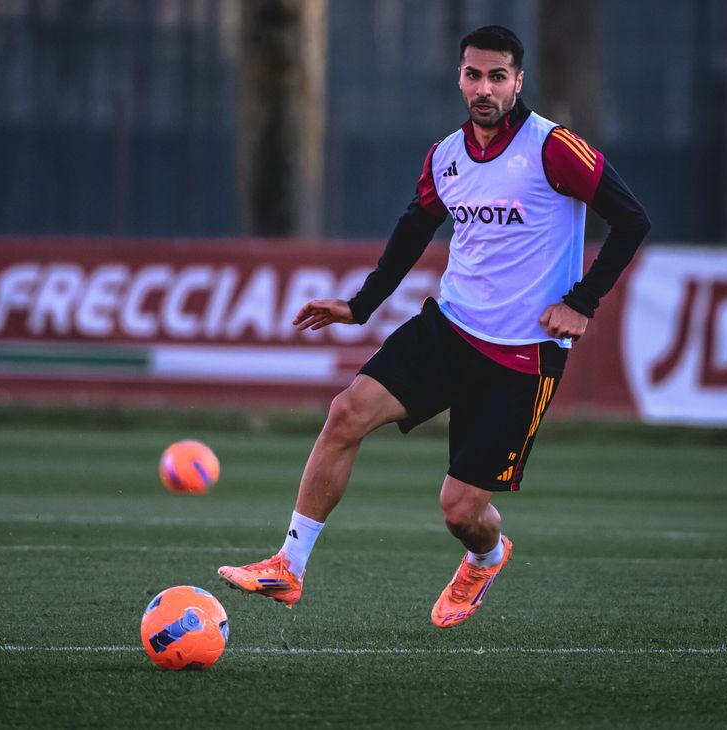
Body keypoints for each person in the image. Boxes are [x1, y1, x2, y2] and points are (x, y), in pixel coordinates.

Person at [217, 25, 650, 628]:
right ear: (459, 78)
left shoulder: (552, 148)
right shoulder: (446, 154)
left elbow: (632, 219)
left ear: (518, 81)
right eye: (474, 74)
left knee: (459, 511)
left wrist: (583, 301)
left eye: (498, 76)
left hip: (524, 355)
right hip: (449, 327)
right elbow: (415, 227)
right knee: (346, 411)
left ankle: (487, 556)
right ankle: (288, 567)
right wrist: (361, 304)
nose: (484, 88)